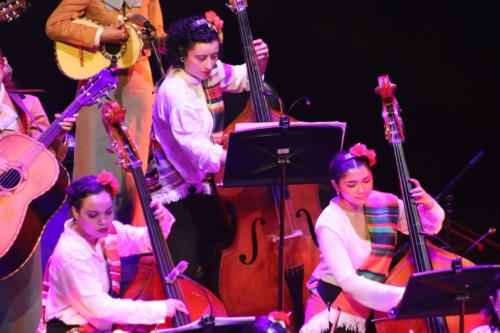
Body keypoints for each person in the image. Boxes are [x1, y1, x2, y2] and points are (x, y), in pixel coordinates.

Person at [145, 12, 269, 292]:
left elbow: (240, 79)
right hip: (177, 187)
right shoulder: (177, 94)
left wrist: (258, 63)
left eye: (214, 56)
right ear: (180, 55)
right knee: (188, 270)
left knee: (214, 253)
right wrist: (246, 156)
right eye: (202, 58)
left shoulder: (206, 71)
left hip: (200, 180)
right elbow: (200, 153)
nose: (210, 64)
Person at [300, 143, 445, 333]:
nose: (361, 189)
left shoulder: (385, 202)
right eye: (352, 184)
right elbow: (349, 281)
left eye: (366, 180)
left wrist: (428, 205)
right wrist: (407, 295)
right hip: (333, 308)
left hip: (371, 306)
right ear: (336, 185)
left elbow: (427, 228)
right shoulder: (329, 222)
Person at [45, 0, 166, 227]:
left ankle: (134, 238)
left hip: (136, 83)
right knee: (93, 159)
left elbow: (158, 34)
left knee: (134, 165)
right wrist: (100, 35)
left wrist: (155, 38)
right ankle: (89, 234)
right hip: (96, 83)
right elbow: (55, 25)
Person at [40, 171, 188, 333]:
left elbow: (147, 242)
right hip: (72, 328)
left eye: (108, 212)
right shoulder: (70, 254)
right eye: (93, 215)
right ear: (76, 212)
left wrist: (161, 219)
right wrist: (162, 308)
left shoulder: (107, 233)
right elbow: (102, 308)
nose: (103, 221)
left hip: (97, 323)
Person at [0, 47, 77, 332]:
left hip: (18, 212)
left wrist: (62, 134)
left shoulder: (28, 105)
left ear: (4, 65)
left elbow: (48, 161)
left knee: (23, 295)